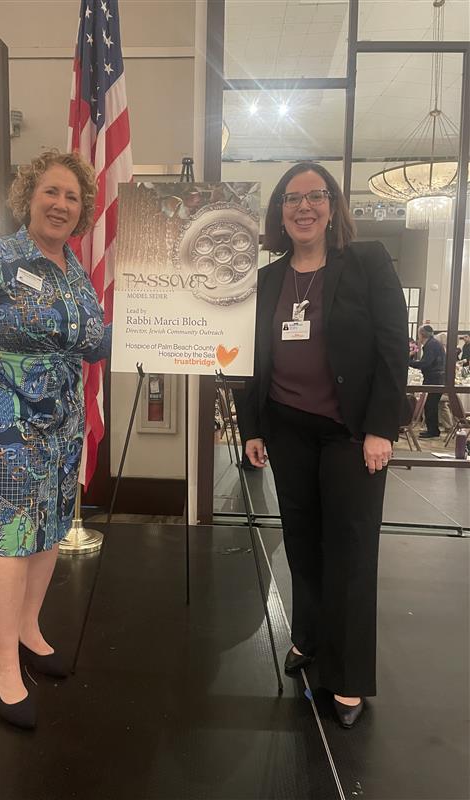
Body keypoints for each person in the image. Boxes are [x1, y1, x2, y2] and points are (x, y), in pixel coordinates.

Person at [0, 149, 110, 729]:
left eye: (72, 197)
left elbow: (92, 343)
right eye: (51, 192)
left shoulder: (75, 272)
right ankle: (4, 662)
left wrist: (161, 326)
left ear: (83, 209)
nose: (61, 204)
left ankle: (31, 630)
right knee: (9, 540)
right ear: (28, 197)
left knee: (47, 531)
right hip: (2, 429)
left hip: (61, 429)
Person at [239, 162, 408, 729]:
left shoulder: (367, 262)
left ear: (333, 207)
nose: (303, 207)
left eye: (315, 196)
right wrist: (253, 427)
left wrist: (382, 427)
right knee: (302, 544)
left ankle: (349, 674)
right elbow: (250, 359)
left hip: (350, 434)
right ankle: (309, 638)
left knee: (351, 552)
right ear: (279, 212)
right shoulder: (267, 280)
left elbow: (393, 348)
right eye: (292, 199)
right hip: (287, 429)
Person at [408, 325, 445, 438]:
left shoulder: (431, 345)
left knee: (430, 405)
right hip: (437, 377)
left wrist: (409, 362)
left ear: (422, 334)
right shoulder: (433, 343)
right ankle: (433, 430)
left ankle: (433, 431)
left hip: (435, 379)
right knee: (431, 405)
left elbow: (426, 363)